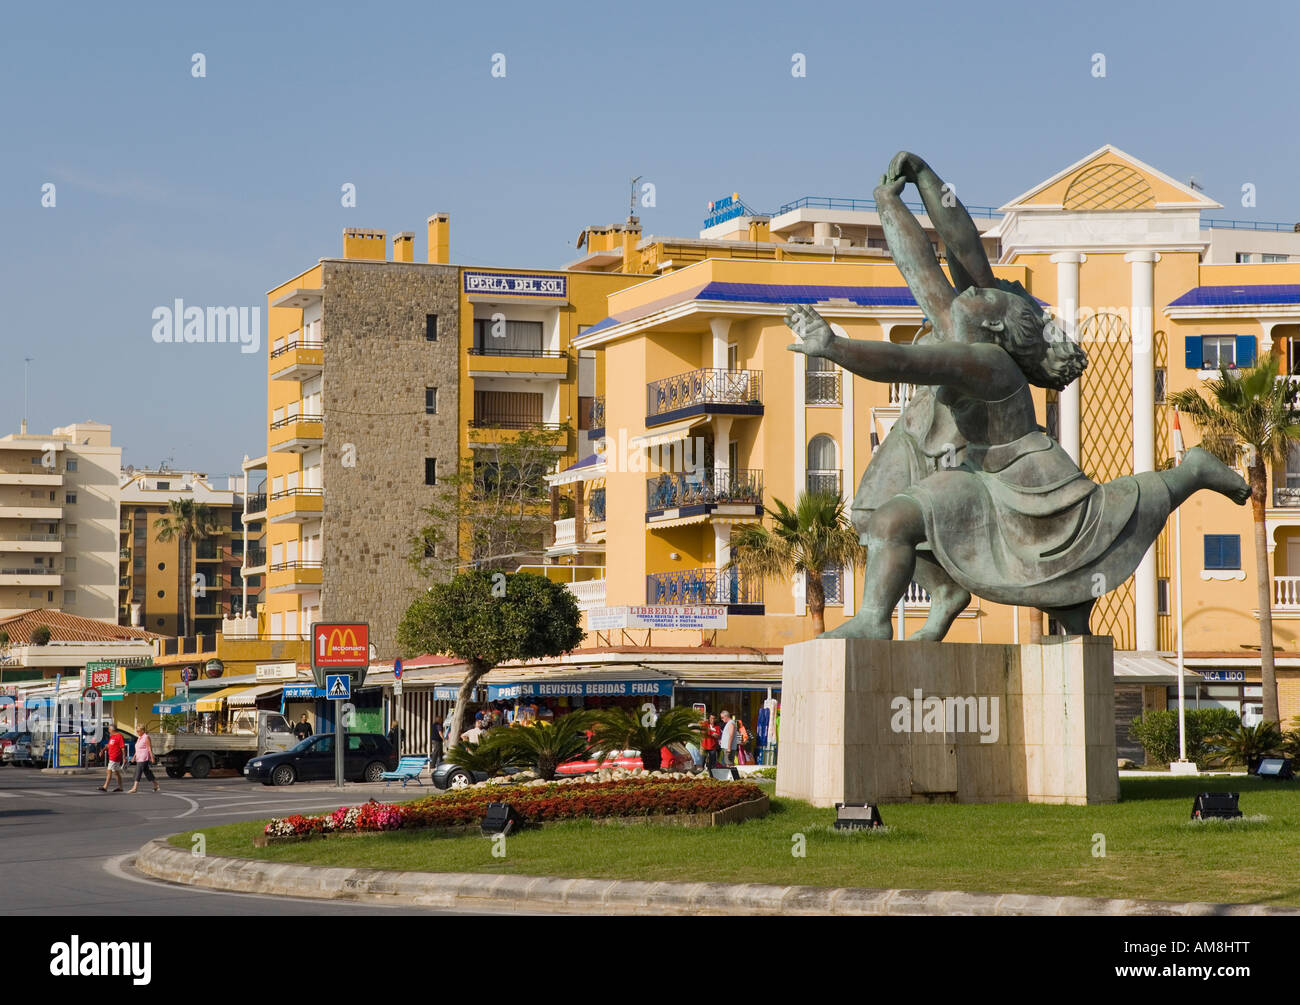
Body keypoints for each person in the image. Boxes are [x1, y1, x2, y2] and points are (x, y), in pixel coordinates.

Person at [788, 151, 1251, 639]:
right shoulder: (967, 323)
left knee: (899, 522)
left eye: (984, 294)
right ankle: (953, 597)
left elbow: (904, 362)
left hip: (1016, 478)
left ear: (993, 324)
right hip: (976, 466)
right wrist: (908, 187)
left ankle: (873, 621)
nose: (970, 288)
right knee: (883, 519)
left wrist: (834, 346)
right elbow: (943, 252)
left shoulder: (984, 362)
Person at [127, 728, 159, 793]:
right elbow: (138, 748)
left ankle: (135, 788)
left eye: (138, 731)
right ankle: (156, 784)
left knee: (138, 771)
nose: (137, 732)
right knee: (147, 772)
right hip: (139, 757)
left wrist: (152, 757)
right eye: (137, 731)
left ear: (142, 731)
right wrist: (133, 757)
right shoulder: (139, 738)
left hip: (143, 757)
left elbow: (149, 748)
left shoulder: (146, 737)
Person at [98, 727, 125, 792]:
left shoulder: (119, 736)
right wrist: (102, 750)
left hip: (115, 757)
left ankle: (105, 787)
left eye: (109, 729)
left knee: (109, 771)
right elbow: (108, 745)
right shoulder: (112, 737)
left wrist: (124, 757)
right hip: (111, 756)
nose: (108, 731)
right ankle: (120, 787)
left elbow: (122, 747)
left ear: (112, 730)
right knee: (116, 773)